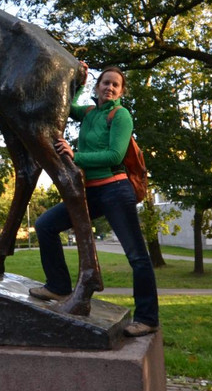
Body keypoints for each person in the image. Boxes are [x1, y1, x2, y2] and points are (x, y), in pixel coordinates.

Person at [29, 66, 160, 337]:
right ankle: (58, 285)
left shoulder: (120, 115)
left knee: (137, 256)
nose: (109, 88)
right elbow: (69, 104)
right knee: (45, 225)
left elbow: (114, 155)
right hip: (89, 192)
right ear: (97, 87)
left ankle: (147, 318)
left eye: (115, 85)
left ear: (121, 91)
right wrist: (80, 79)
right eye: (105, 83)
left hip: (115, 190)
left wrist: (75, 156)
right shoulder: (88, 113)